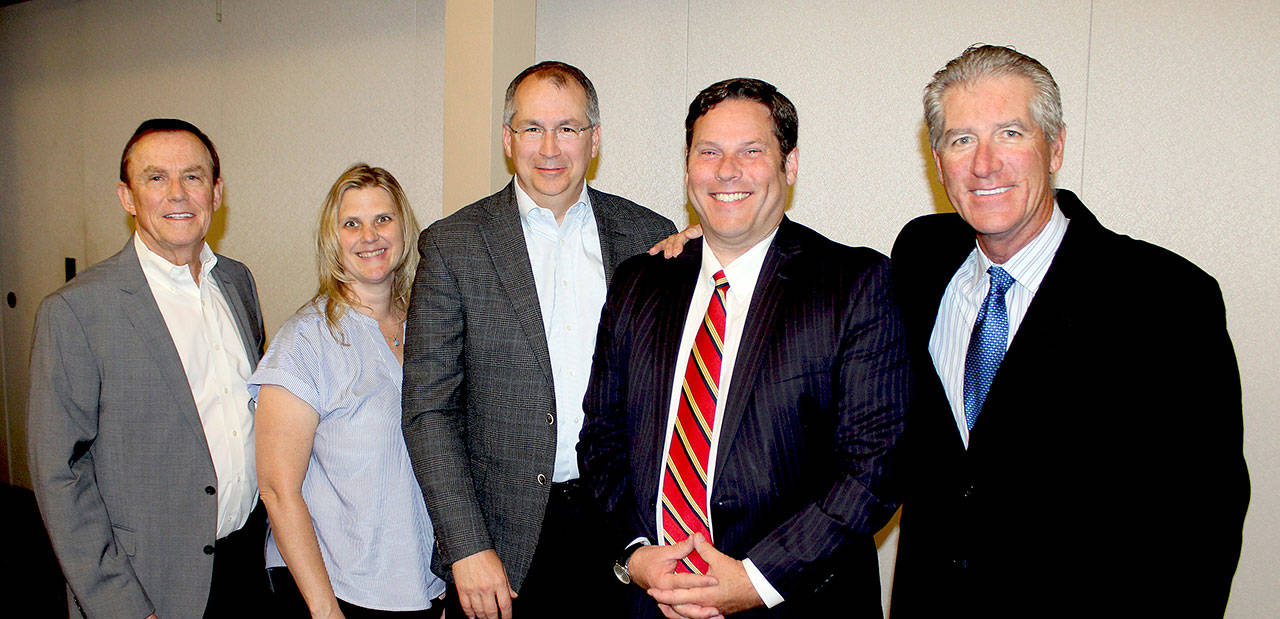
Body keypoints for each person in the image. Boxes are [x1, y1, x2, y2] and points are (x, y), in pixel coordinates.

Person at [888, 45, 1249, 616]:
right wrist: (707, 254)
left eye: (1010, 133)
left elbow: (1206, 520)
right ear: (938, 161)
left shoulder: (1167, 298)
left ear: (1054, 147)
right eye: (961, 140)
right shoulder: (919, 258)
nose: (984, 163)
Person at [579, 77, 911, 619]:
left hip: (795, 601)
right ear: (688, 167)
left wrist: (759, 579)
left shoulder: (853, 284)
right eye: (708, 152)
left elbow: (875, 467)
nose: (726, 170)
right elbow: (602, 439)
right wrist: (636, 554)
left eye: (751, 151)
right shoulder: (639, 281)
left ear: (790, 164)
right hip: (650, 602)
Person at [401, 60, 676, 619]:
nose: (550, 146)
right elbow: (429, 410)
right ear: (509, 139)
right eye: (532, 128)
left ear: (594, 139)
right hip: (503, 542)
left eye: (568, 128)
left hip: (625, 526)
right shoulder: (454, 244)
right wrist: (467, 545)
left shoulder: (649, 237)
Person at [27, 118, 268, 618]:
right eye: (156, 178)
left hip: (247, 564)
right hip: (150, 585)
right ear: (127, 197)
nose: (177, 194)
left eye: (194, 177)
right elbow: (60, 475)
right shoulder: (77, 311)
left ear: (217, 192)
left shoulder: (238, 283)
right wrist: (122, 607)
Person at [251, 164, 447, 618]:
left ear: (403, 228)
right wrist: (324, 610)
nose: (370, 236)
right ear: (332, 238)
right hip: (338, 592)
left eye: (383, 219)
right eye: (351, 223)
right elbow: (278, 490)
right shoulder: (306, 340)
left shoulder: (430, 325)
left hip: (421, 585)